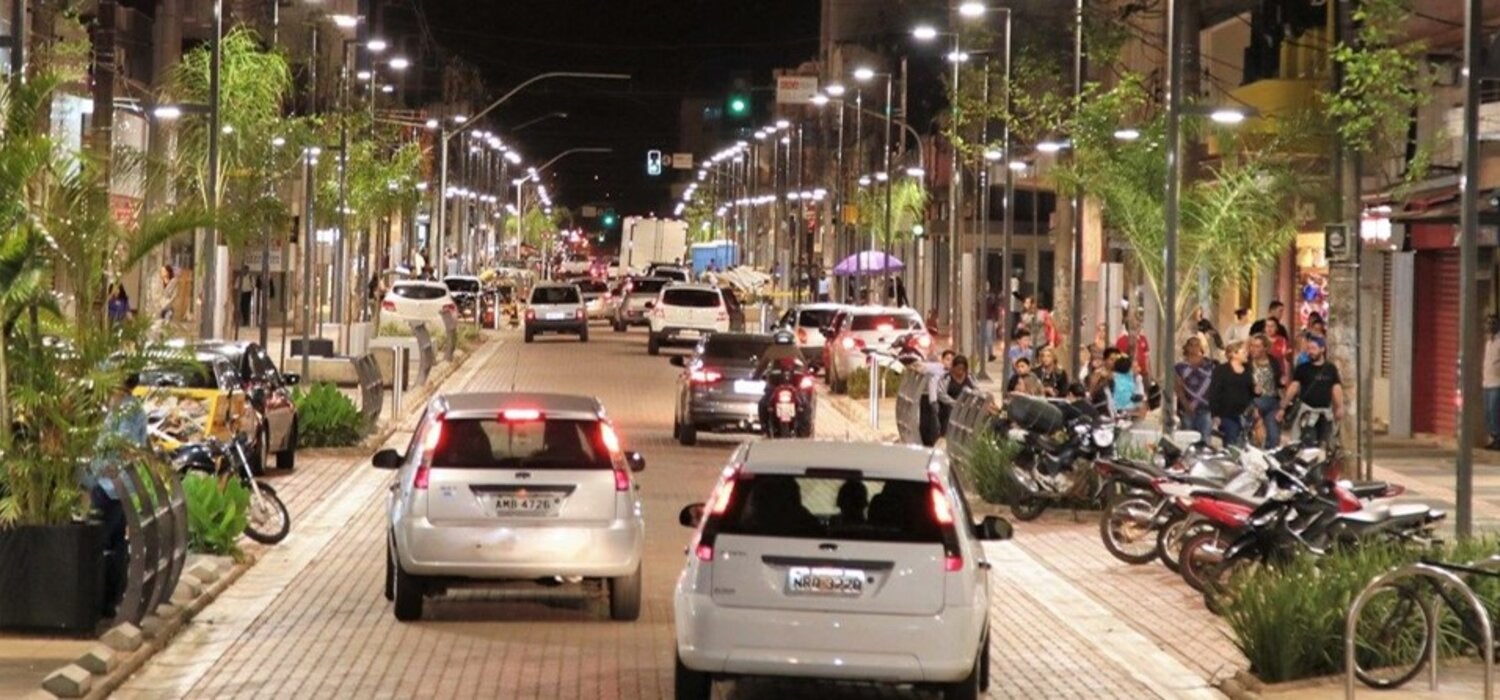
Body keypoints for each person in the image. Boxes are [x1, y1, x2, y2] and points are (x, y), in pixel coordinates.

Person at [85, 374, 148, 617]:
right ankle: (110, 599)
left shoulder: (128, 410)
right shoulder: (124, 406)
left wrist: (97, 469)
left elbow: (121, 445)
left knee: (108, 542)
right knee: (115, 542)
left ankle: (108, 601)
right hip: (113, 485)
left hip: (111, 487)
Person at [1281, 335, 1343, 446]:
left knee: (1324, 444)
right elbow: (1293, 387)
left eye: (1313, 348)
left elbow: (1336, 388)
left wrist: (1339, 407)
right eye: (1308, 349)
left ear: (1322, 349)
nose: (1310, 352)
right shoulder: (1302, 368)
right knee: (1307, 444)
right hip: (1307, 413)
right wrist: (1283, 407)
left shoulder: (1331, 368)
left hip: (1325, 414)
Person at [1208, 341, 1255, 446]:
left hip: (1244, 415)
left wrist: (1256, 392)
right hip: (1227, 414)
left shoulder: (1248, 370)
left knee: (1244, 444)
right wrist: (1215, 414)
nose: (1246, 353)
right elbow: (1214, 392)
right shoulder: (1221, 370)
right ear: (1234, 354)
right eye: (1243, 351)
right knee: (1232, 443)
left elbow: (1250, 391)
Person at [1248, 333, 1285, 448]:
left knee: (1274, 438)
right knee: (1256, 438)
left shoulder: (1273, 361)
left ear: (1265, 348)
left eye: (1258, 346)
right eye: (1252, 346)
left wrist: (1283, 406)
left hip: (1272, 401)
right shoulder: (1248, 363)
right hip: (1255, 402)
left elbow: (1278, 382)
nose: (1254, 349)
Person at [1174, 337, 1215, 442]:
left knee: (1205, 440)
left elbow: (1214, 386)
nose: (1193, 348)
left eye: (1197, 345)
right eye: (1191, 345)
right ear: (1186, 347)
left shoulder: (1209, 365)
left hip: (1206, 410)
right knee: (1187, 441)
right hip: (1187, 410)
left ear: (1201, 347)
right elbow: (1178, 388)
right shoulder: (1180, 367)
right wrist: (1186, 405)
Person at [934, 354, 978, 434]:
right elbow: (941, 394)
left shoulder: (970, 378)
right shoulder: (946, 378)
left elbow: (976, 391)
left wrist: (970, 404)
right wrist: (955, 403)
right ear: (953, 368)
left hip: (967, 406)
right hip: (950, 406)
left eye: (962, 369)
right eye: (958, 369)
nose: (960, 372)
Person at [1109, 353, 1146, 419]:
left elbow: (1141, 397)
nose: (1139, 369)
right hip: (1118, 410)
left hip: (1129, 408)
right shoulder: (1117, 379)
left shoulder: (1137, 378)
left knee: (1142, 403)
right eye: (1136, 367)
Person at [1488, 315, 1500, 450]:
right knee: (1488, 414)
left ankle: (1498, 439)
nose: (1489, 326)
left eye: (1492, 323)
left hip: (1497, 382)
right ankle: (1493, 438)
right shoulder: (1488, 342)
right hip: (1487, 381)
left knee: (1494, 411)